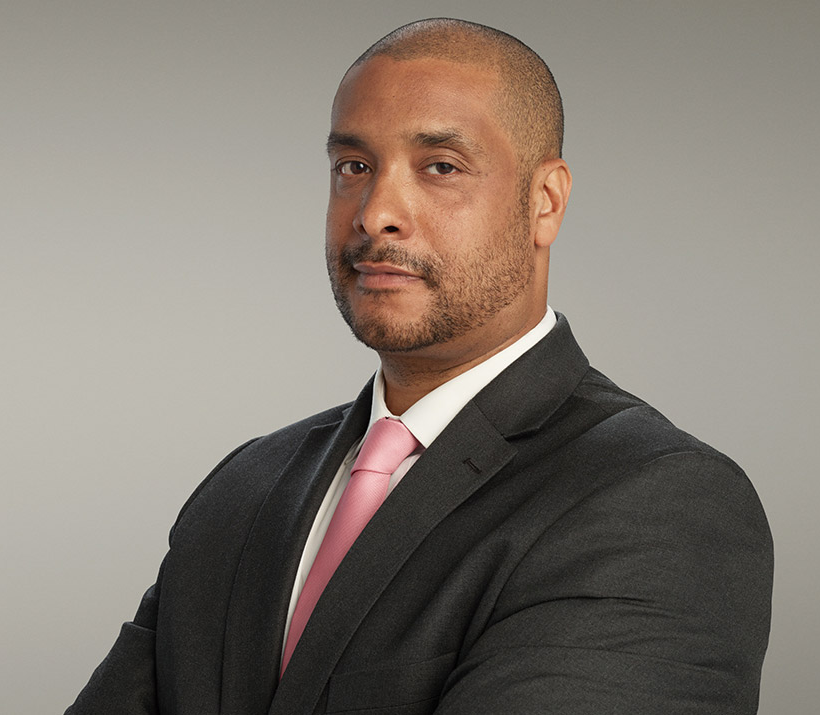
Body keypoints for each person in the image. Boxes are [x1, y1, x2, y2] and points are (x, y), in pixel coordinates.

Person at [67, 18, 771, 715]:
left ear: (544, 201)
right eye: (354, 167)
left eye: (441, 166)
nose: (377, 213)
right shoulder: (241, 491)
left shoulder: (657, 503)